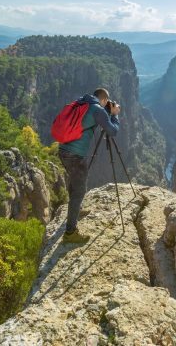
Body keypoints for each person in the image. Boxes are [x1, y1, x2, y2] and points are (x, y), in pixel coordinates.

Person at [58, 87, 120, 243]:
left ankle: (75, 211)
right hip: (75, 156)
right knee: (79, 190)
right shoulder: (97, 110)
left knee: (74, 184)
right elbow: (112, 131)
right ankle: (70, 233)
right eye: (107, 102)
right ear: (104, 100)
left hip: (63, 150)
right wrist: (114, 115)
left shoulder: (81, 102)